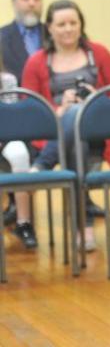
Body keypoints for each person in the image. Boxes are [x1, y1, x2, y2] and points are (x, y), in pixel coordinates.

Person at [20, 0, 110, 252]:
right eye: (61, 24)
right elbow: (29, 111)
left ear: (81, 24)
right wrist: (59, 110)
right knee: (74, 134)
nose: (68, 29)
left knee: (79, 121)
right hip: (53, 134)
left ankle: (40, 167)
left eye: (73, 23)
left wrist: (95, 99)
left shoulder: (99, 54)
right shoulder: (36, 62)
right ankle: (83, 225)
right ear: (50, 27)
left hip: (97, 132)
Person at [1, 0, 45, 228]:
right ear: (14, 2)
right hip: (14, 114)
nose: (31, 3)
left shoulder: (54, 32)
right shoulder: (2, 36)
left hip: (47, 111)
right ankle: (17, 206)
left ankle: (84, 199)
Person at [1, 52, 35, 248]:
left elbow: (11, 117)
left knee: (20, 152)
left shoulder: (7, 80)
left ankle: (23, 223)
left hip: (5, 136)